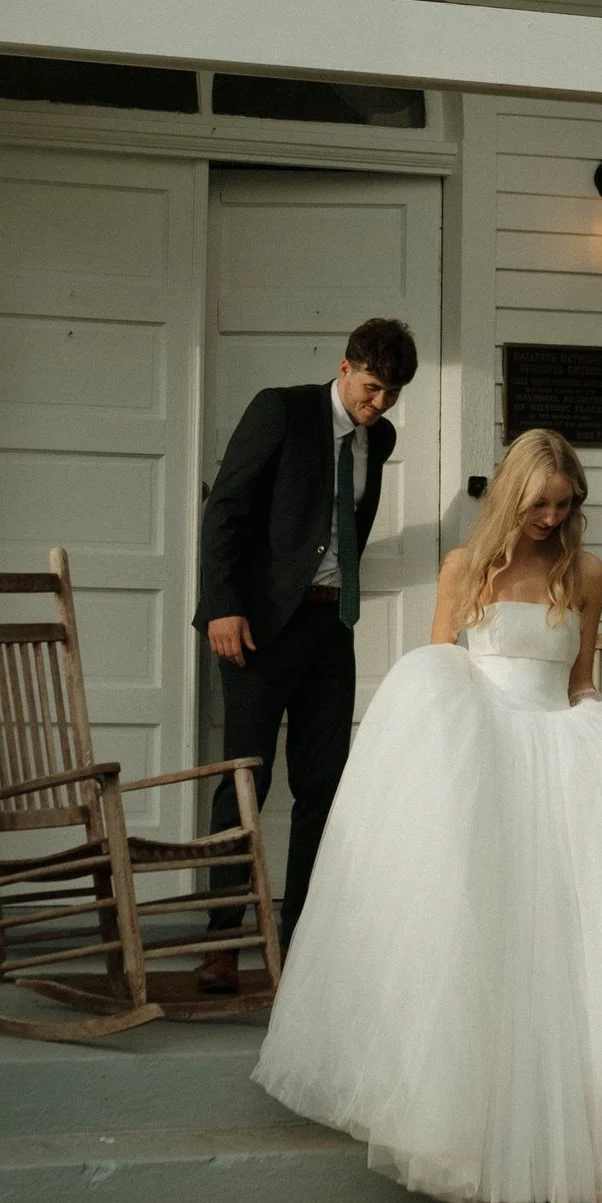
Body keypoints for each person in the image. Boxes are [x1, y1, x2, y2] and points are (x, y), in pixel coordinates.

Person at [254, 426, 602, 1203]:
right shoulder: (466, 569)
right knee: (476, 948)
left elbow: (581, 677)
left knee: (577, 953)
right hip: (483, 751)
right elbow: (440, 665)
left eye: (564, 505)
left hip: (557, 753)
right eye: (538, 504)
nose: (551, 518)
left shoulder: (585, 572)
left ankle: (598, 1156)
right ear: (510, 496)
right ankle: (460, 1132)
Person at [193, 312, 420, 984]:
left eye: (390, 396)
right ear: (345, 368)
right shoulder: (282, 412)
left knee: (323, 785)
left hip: (330, 628)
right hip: (259, 626)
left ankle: (298, 944)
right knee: (244, 778)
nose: (377, 406)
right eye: (371, 389)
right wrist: (223, 607)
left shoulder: (377, 442)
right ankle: (221, 941)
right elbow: (226, 510)